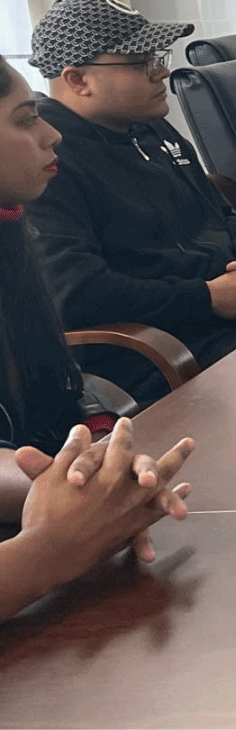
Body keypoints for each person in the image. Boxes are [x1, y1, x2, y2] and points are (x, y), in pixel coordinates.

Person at [25, 0, 236, 402]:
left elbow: (223, 214)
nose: (162, 71)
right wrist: (208, 298)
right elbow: (78, 294)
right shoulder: (46, 163)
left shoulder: (150, 128)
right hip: (163, 348)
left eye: (157, 57)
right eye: (141, 62)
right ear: (78, 80)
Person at [0, 55, 198, 615]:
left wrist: (87, 485)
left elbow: (42, 401)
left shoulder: (10, 231)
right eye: (24, 120)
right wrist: (50, 550)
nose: (52, 134)